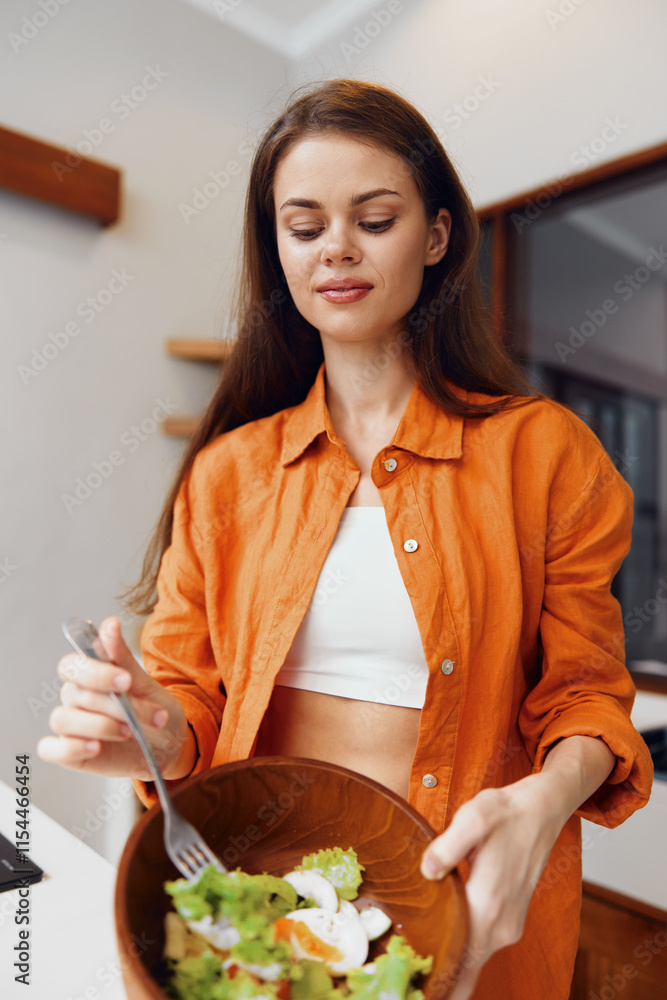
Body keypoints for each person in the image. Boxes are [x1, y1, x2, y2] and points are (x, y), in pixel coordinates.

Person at [37, 78, 653, 1000]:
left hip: (464, 907)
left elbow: (588, 700)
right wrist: (155, 737)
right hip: (250, 893)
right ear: (276, 248)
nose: (337, 250)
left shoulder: (542, 453)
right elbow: (192, 710)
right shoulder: (228, 473)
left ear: (435, 236)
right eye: (304, 224)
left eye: (374, 218)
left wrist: (542, 800)